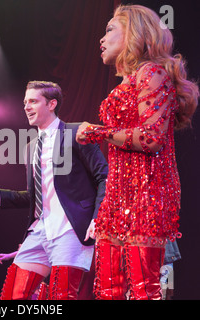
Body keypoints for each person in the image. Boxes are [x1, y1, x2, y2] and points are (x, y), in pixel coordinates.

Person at [76, 4, 199, 300]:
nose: (101, 39)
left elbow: (152, 138)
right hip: (117, 195)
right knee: (108, 290)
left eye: (109, 30)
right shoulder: (126, 83)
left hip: (148, 193)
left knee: (144, 290)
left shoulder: (152, 72)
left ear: (133, 33)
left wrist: (97, 132)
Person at [0, 80, 108, 300]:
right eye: (25, 102)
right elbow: (34, 196)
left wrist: (98, 218)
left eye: (33, 101)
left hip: (70, 229)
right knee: (15, 295)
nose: (26, 107)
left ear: (52, 104)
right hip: (40, 229)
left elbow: (104, 176)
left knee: (62, 296)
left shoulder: (75, 133)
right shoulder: (30, 147)